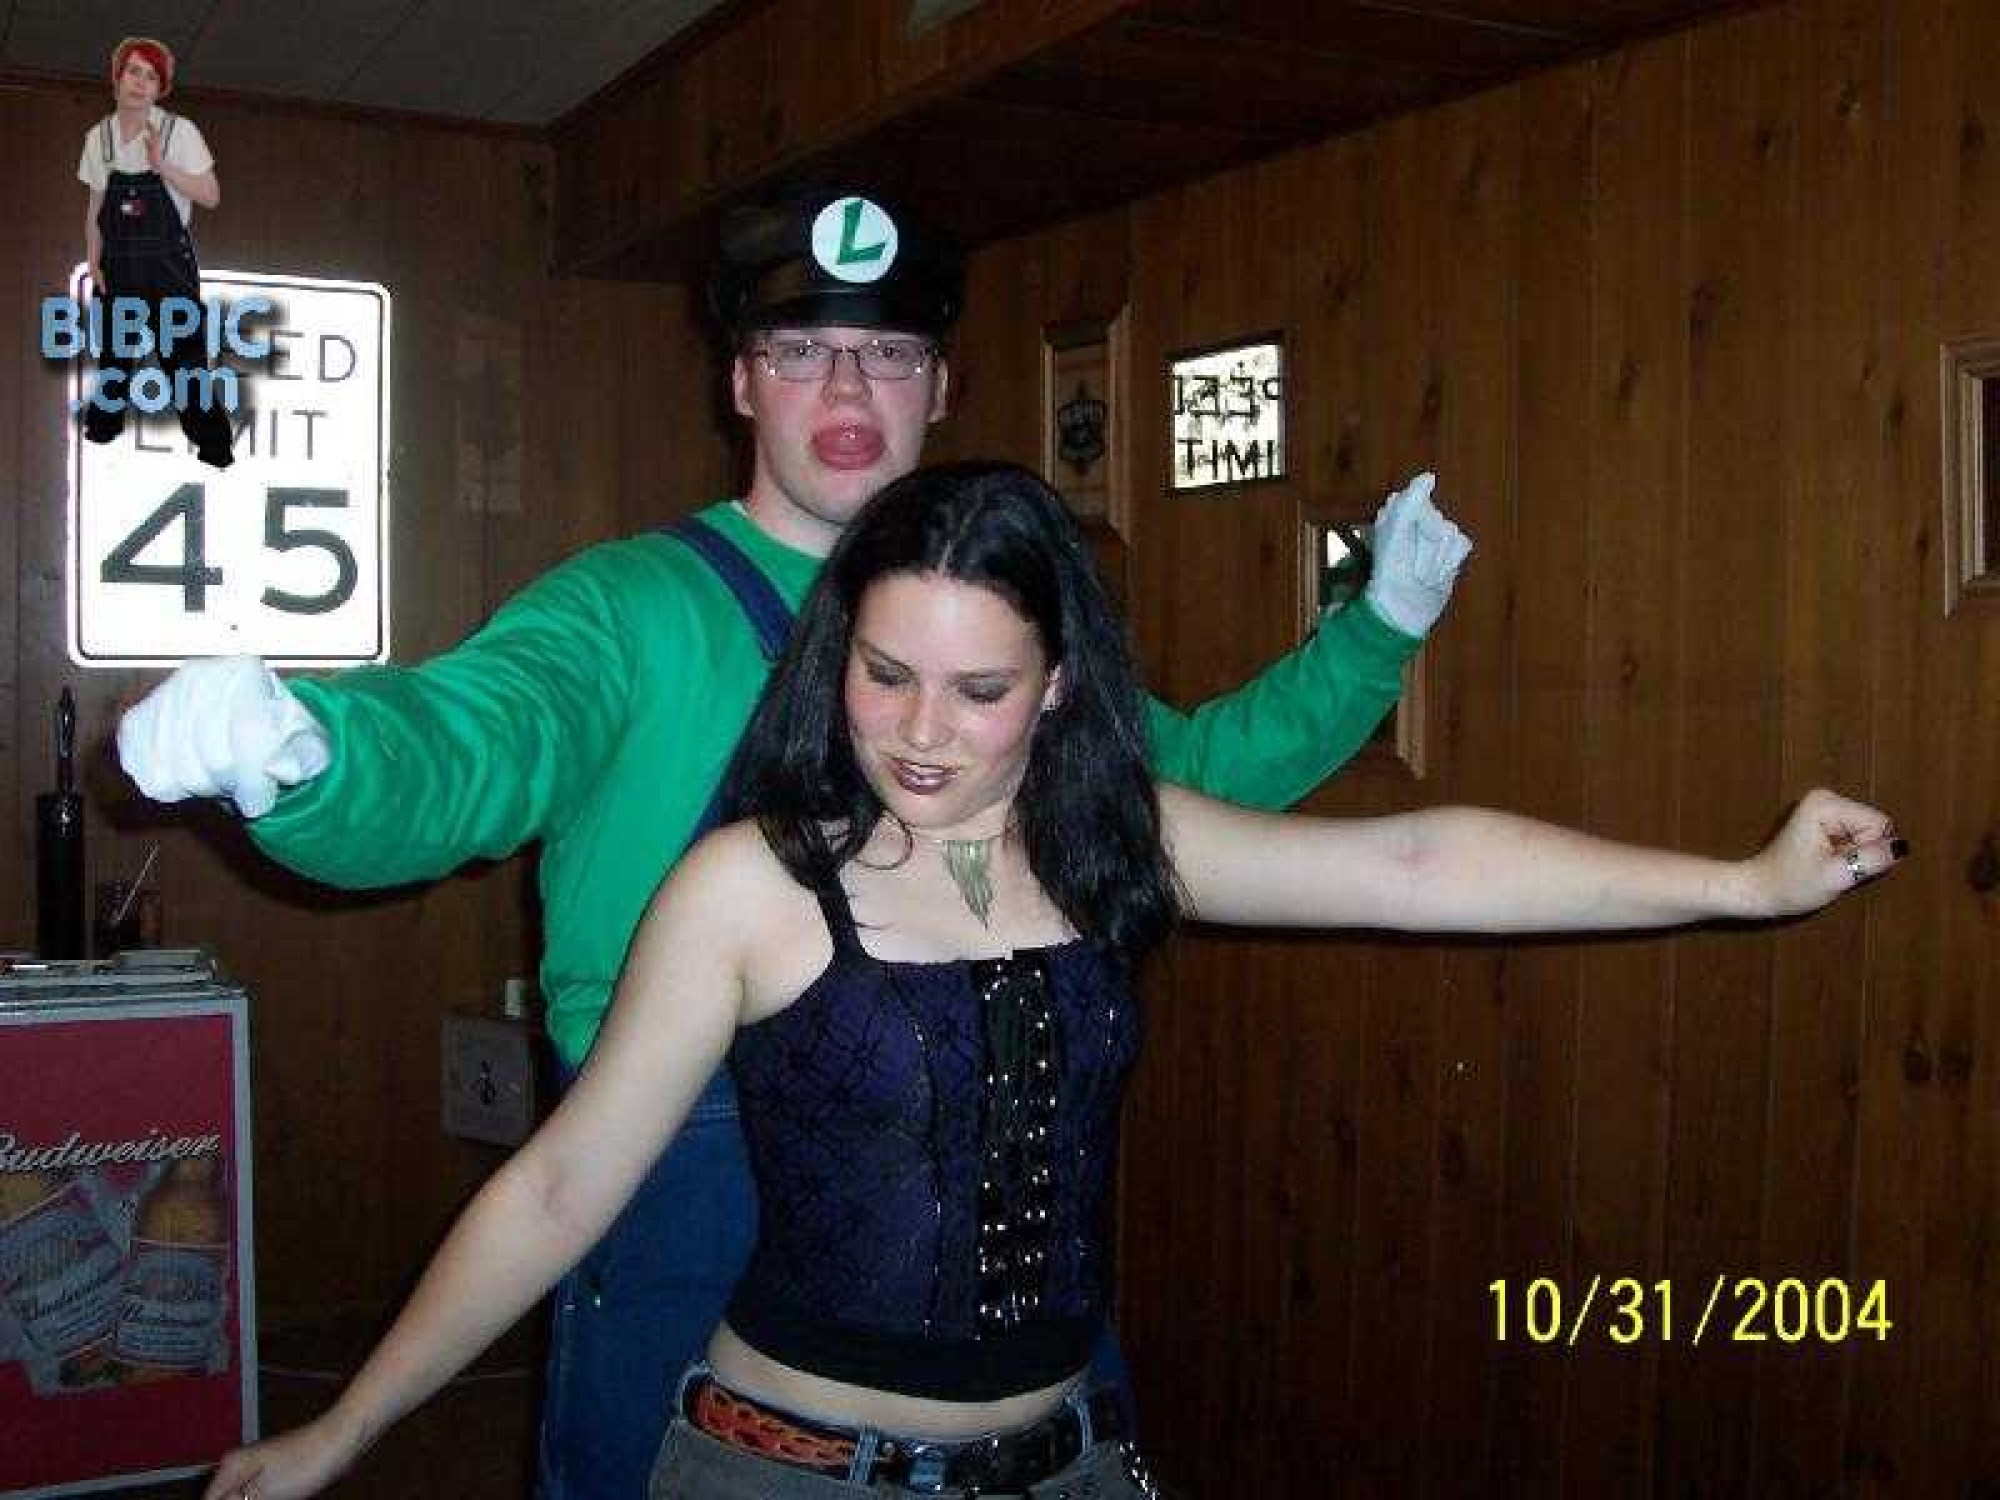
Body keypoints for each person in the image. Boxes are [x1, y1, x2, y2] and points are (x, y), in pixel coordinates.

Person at [199, 461, 1901, 1500]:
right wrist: (349, 1430)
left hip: (1070, 1461)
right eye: (884, 675)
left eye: (981, 690)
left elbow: (1415, 866)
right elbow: (563, 1187)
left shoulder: (1109, 844)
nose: (922, 734)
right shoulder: (752, 887)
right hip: (790, 1476)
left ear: (1060, 686)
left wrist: (1743, 886)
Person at [119, 187, 1468, 1497]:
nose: (847, 387)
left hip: (977, 1202)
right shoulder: (627, 610)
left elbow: (1187, 783)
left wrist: (1377, 629)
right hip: (673, 1176)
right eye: (802, 349)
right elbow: (472, 740)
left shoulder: (995, 623)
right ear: (742, 382)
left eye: (889, 353)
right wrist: (309, 755)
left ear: (939, 388)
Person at [78, 36, 234, 468]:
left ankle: (214, 445)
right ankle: (103, 428)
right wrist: (93, 258)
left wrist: (162, 165)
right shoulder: (98, 138)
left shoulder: (179, 131)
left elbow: (210, 195)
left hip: (168, 265)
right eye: (134, 71)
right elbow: (95, 207)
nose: (140, 82)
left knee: (184, 361)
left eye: (151, 76)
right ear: (118, 77)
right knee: (113, 352)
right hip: (117, 262)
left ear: (160, 87)